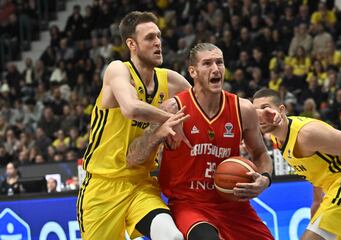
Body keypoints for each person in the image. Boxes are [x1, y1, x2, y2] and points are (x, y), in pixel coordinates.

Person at [127, 43, 274, 240]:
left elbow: (261, 154)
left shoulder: (243, 109)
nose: (215, 69)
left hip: (232, 203)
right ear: (193, 72)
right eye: (207, 64)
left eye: (219, 63)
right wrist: (158, 134)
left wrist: (264, 180)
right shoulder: (173, 108)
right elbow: (133, 157)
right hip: (189, 204)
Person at [76, 11, 191, 240]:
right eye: (149, 38)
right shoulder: (118, 70)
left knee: (173, 237)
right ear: (132, 44)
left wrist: (250, 113)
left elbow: (207, 103)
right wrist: (169, 119)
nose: (158, 42)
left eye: (158, 36)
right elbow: (130, 107)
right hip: (102, 187)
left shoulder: (170, 80)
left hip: (141, 183)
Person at [252, 88, 341, 240]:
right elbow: (319, 169)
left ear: (281, 110)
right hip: (335, 189)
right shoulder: (277, 138)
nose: (261, 115)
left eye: (265, 108)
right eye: (256, 111)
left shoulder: (307, 133)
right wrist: (317, 202)